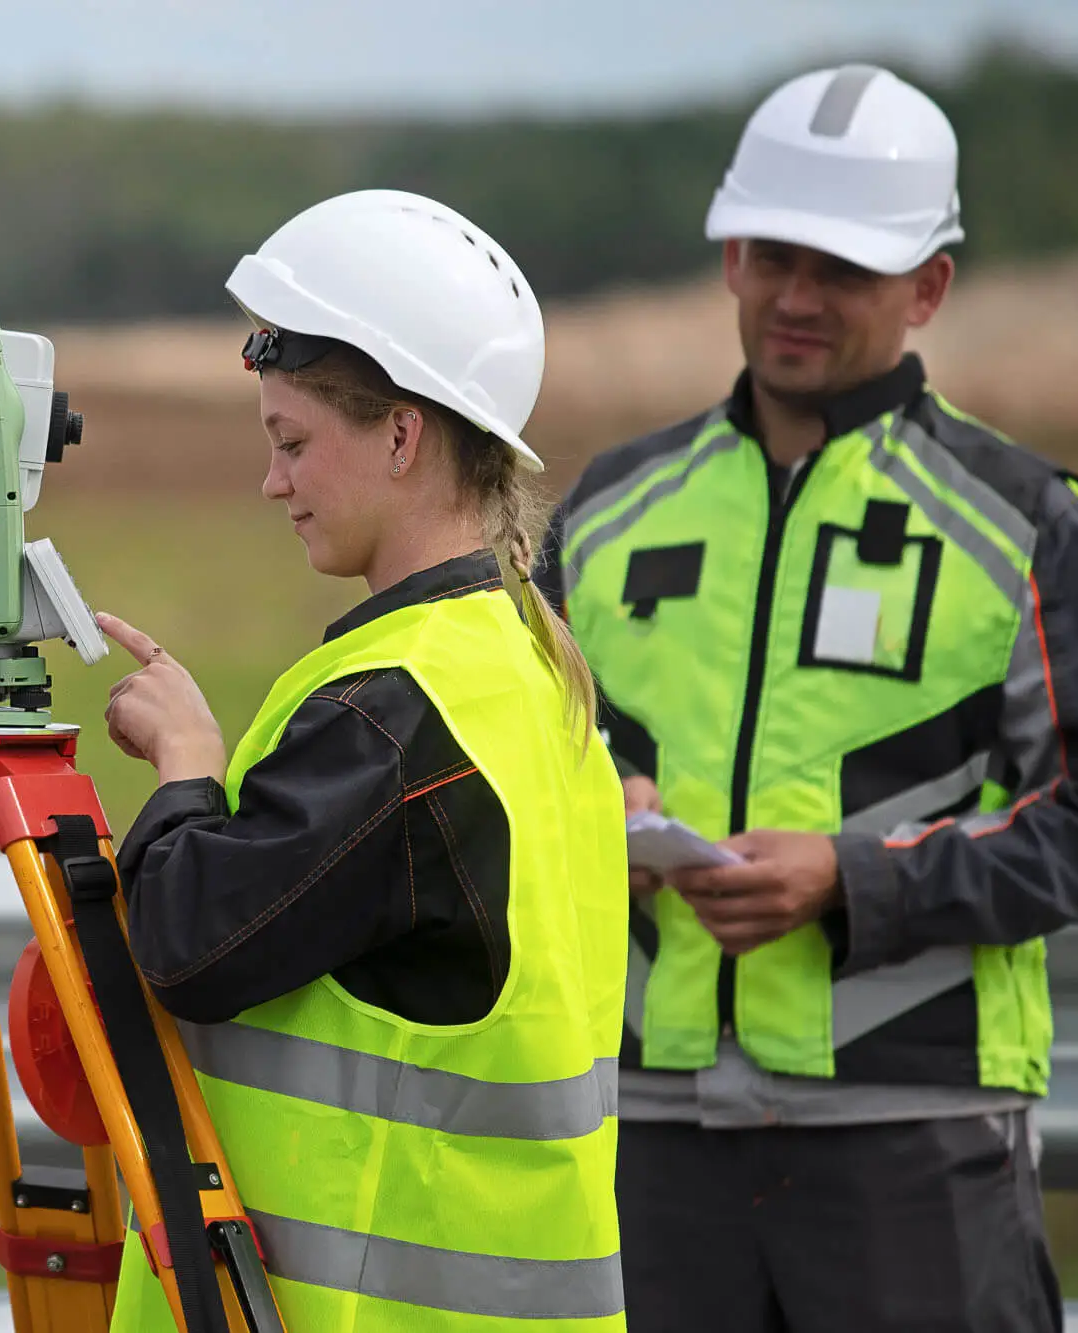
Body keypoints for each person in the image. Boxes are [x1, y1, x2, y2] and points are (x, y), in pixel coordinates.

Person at [535, 66, 1078, 1332]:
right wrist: (596, 817)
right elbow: (518, 766)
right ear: (728, 255)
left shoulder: (1022, 521)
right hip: (641, 1131)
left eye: (842, 269)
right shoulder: (604, 512)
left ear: (926, 286)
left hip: (911, 1141)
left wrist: (850, 876)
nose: (797, 298)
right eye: (774, 257)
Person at [94, 188, 630, 1331]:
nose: (271, 480)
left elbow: (186, 948)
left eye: (292, 442)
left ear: (401, 433)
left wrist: (188, 766)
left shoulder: (399, 712)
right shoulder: (524, 654)